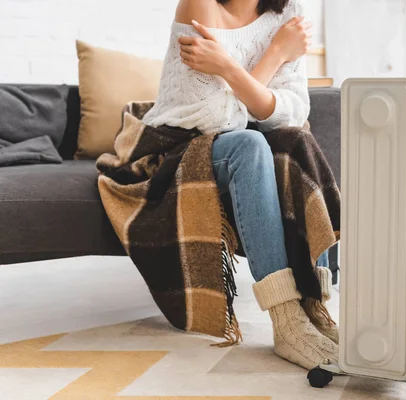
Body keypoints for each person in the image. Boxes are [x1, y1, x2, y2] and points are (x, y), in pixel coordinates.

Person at [142, 0, 339, 370]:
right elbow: (215, 119)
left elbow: (294, 111)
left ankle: (315, 307)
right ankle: (286, 322)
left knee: (297, 141)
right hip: (177, 145)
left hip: (238, 136)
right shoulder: (199, 6)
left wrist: (229, 71)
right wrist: (274, 54)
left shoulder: (288, 13)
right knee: (249, 143)